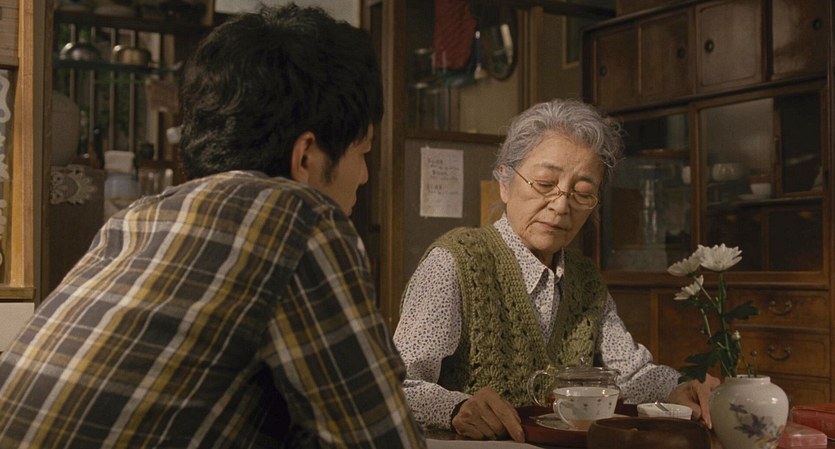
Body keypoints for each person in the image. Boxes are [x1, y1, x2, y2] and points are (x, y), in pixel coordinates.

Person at [0, 5, 425, 448]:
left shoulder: (136, 219)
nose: (365, 175)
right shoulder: (300, 217)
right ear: (305, 156)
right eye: (363, 152)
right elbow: (383, 440)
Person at [393, 99, 719, 442]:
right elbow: (396, 386)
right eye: (545, 183)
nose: (561, 206)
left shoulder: (585, 280)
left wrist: (677, 388)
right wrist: (456, 407)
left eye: (583, 193)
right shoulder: (455, 262)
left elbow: (629, 375)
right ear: (505, 181)